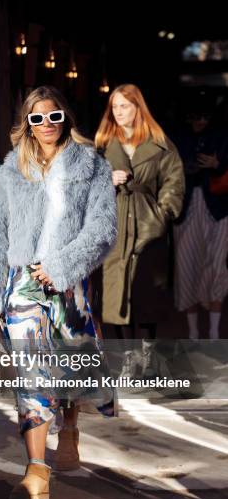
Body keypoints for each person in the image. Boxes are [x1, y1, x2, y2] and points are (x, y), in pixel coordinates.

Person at [0, 85, 117, 499]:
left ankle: (69, 426)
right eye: (37, 118)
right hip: (22, 284)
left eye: (54, 116)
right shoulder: (9, 171)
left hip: (68, 282)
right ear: (27, 124)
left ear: (65, 118)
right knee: (30, 371)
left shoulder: (90, 165)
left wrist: (60, 267)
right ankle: (37, 469)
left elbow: (102, 229)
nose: (47, 125)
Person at [95, 84, 185, 376]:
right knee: (114, 296)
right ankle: (128, 359)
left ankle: (148, 355)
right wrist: (107, 180)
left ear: (138, 107)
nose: (119, 112)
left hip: (149, 229)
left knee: (147, 295)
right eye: (115, 107)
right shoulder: (102, 144)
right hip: (114, 229)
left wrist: (162, 215)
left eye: (125, 106)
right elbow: (83, 185)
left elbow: (174, 183)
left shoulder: (160, 144)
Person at [173, 96, 228, 339]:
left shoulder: (223, 136)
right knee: (187, 268)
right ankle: (194, 334)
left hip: (218, 209)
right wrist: (183, 168)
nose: (199, 121)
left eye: (204, 116)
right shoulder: (177, 137)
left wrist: (218, 163)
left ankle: (214, 334)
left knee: (216, 267)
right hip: (186, 208)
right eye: (195, 116)